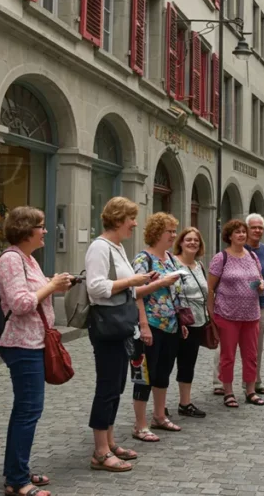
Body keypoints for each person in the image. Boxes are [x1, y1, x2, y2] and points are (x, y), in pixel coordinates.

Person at [0, 206, 73, 496]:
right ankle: (16, 481)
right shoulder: (12, 260)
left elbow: (35, 294)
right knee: (28, 410)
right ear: (26, 229)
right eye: (41, 226)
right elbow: (20, 303)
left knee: (25, 410)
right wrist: (51, 285)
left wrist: (55, 284)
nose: (45, 231)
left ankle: (17, 469)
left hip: (33, 342)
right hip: (21, 344)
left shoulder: (28, 259)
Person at [84, 197, 154, 473]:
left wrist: (147, 283)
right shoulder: (99, 247)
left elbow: (127, 288)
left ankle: (110, 443)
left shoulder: (117, 247)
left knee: (117, 387)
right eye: (131, 218)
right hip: (107, 327)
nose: (135, 224)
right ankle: (100, 452)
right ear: (117, 219)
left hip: (121, 326)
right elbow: (96, 287)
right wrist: (132, 281)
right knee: (107, 387)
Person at [129, 213, 184, 443]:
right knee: (144, 375)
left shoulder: (170, 258)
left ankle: (159, 416)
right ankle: (140, 424)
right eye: (169, 231)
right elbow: (134, 293)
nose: (173, 235)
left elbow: (175, 292)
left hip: (170, 325)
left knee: (163, 373)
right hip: (149, 325)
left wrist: (181, 321)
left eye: (174, 231)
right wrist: (144, 325)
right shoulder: (143, 259)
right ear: (156, 233)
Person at [208, 219, 264, 408]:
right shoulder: (220, 258)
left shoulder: (252, 257)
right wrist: (211, 314)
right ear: (229, 236)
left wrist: (261, 285)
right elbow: (210, 288)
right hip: (227, 315)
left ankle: (250, 391)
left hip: (251, 315)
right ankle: (228, 391)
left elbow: (258, 280)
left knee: (251, 355)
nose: (241, 234)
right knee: (228, 355)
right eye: (237, 232)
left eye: (243, 231)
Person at [170, 227, 209, 418]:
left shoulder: (199, 266)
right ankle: (159, 405)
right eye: (188, 240)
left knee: (188, 363)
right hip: (178, 321)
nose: (192, 243)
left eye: (196, 240)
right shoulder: (172, 264)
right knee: (166, 363)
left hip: (198, 321)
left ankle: (185, 403)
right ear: (181, 243)